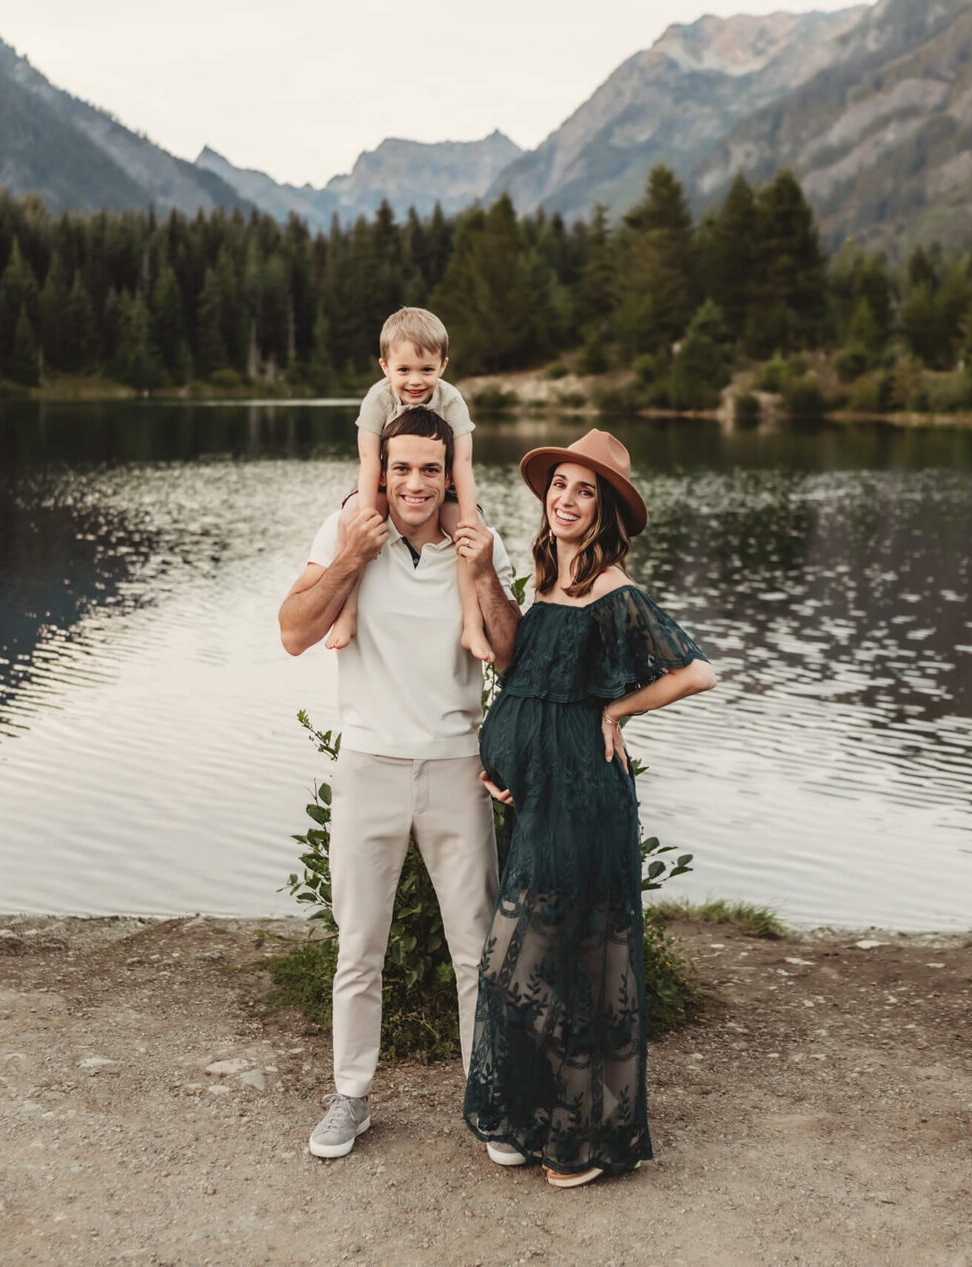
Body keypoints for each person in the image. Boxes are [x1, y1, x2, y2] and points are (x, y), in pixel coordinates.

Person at [464, 427, 717, 1188]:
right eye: (560, 485)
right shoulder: (547, 577)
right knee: (547, 956)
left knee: (537, 957)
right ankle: (553, 1122)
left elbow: (699, 671)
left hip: (583, 794)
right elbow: (523, 677)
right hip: (541, 792)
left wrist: (619, 712)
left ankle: (578, 1144)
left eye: (584, 489)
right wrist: (500, 756)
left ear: (603, 508)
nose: (566, 499)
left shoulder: (611, 587)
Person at [279, 406, 523, 1163]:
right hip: (368, 764)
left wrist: (482, 572)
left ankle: (490, 1100)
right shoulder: (346, 528)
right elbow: (293, 630)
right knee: (359, 945)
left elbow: (511, 656)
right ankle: (350, 1096)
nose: (415, 482)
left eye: (430, 468)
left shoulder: (479, 539)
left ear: (450, 474)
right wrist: (350, 556)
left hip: (455, 763)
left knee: (476, 947)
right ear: (380, 472)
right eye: (401, 468)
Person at [324, 307, 493, 664]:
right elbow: (369, 461)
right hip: (387, 481)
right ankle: (348, 613)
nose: (415, 381)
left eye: (426, 370)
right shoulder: (378, 400)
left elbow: (462, 462)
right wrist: (367, 516)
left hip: (439, 484)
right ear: (385, 366)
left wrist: (468, 519)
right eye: (404, 370)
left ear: (443, 366)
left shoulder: (451, 401)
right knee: (350, 523)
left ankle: (472, 625)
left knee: (466, 536)